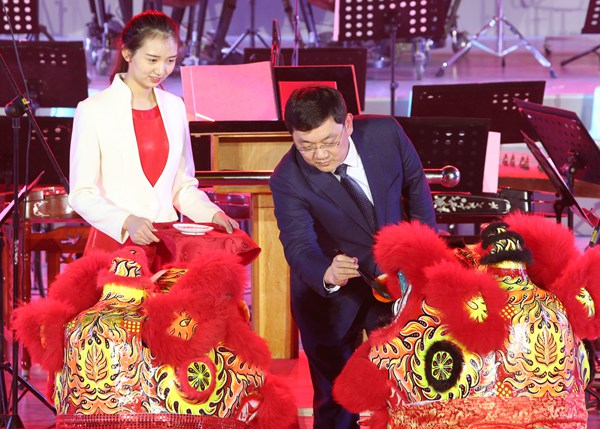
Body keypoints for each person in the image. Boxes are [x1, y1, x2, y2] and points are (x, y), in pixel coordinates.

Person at [269, 86, 437, 429]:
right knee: (336, 399)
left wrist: (423, 255)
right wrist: (327, 273)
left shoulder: (385, 134)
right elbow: (298, 244)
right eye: (305, 146)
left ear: (347, 124)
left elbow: (417, 189)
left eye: (329, 142)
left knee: (403, 383)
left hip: (393, 280)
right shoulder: (287, 179)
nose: (319, 155)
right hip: (330, 295)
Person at [69, 10, 238, 252]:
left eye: (170, 60)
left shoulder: (175, 107)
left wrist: (212, 214)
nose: (161, 70)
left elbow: (182, 186)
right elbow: (81, 193)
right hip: (115, 243)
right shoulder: (93, 110)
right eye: (152, 60)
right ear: (127, 53)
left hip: (164, 241)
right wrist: (126, 221)